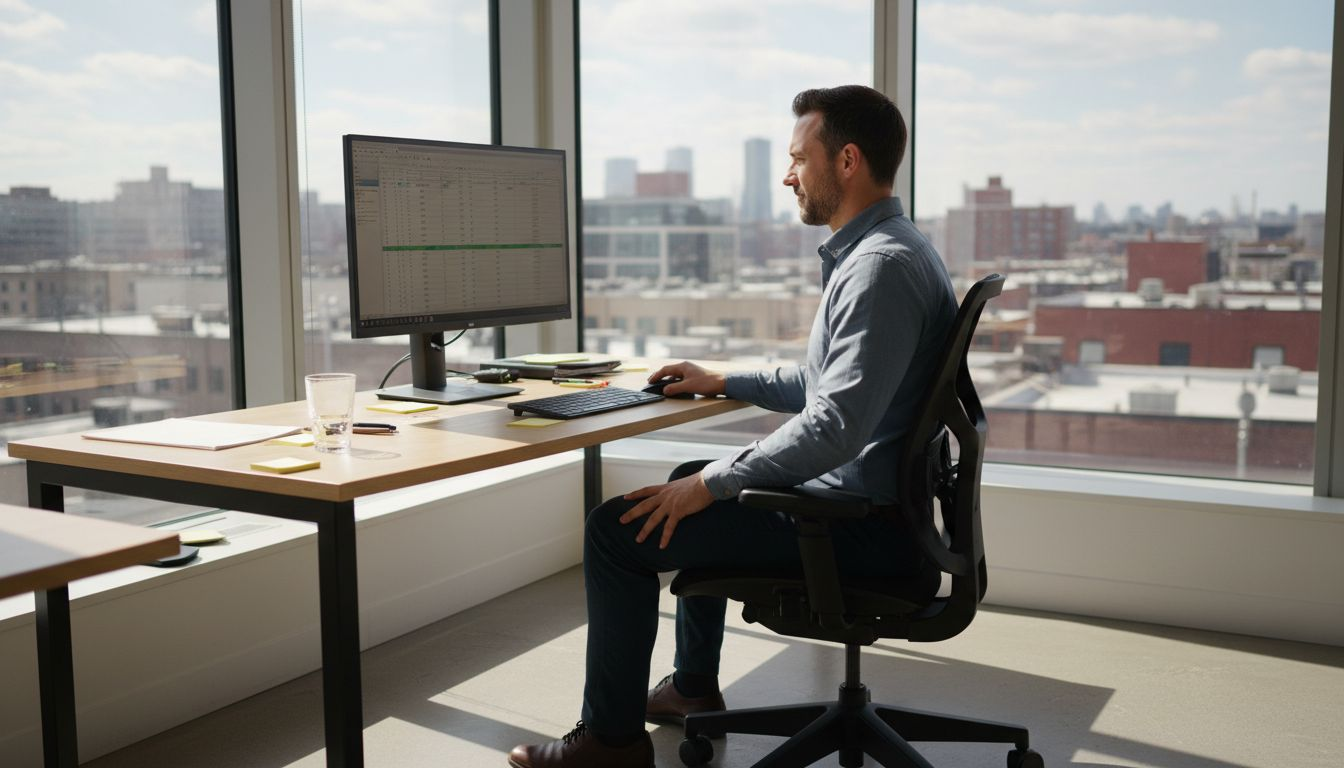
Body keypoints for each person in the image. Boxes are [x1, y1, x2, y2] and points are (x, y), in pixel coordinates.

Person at [507, 84, 957, 768]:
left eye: (799, 158)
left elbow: (834, 426)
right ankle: (692, 687)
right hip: (881, 513)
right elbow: (826, 386)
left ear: (847, 162)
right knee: (689, 478)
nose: (788, 176)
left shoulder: (878, 269)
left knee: (615, 531)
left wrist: (712, 486)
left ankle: (610, 744)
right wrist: (723, 381)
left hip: (866, 532)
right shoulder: (894, 250)